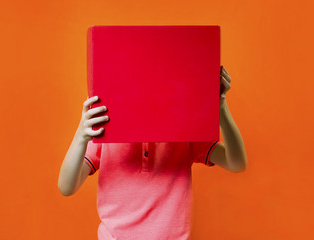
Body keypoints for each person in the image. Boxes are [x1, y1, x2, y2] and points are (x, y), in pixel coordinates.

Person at [58, 65, 247, 240]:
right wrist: (81, 135)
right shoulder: (106, 132)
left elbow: (236, 163)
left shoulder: (184, 131)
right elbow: (66, 187)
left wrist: (220, 107)